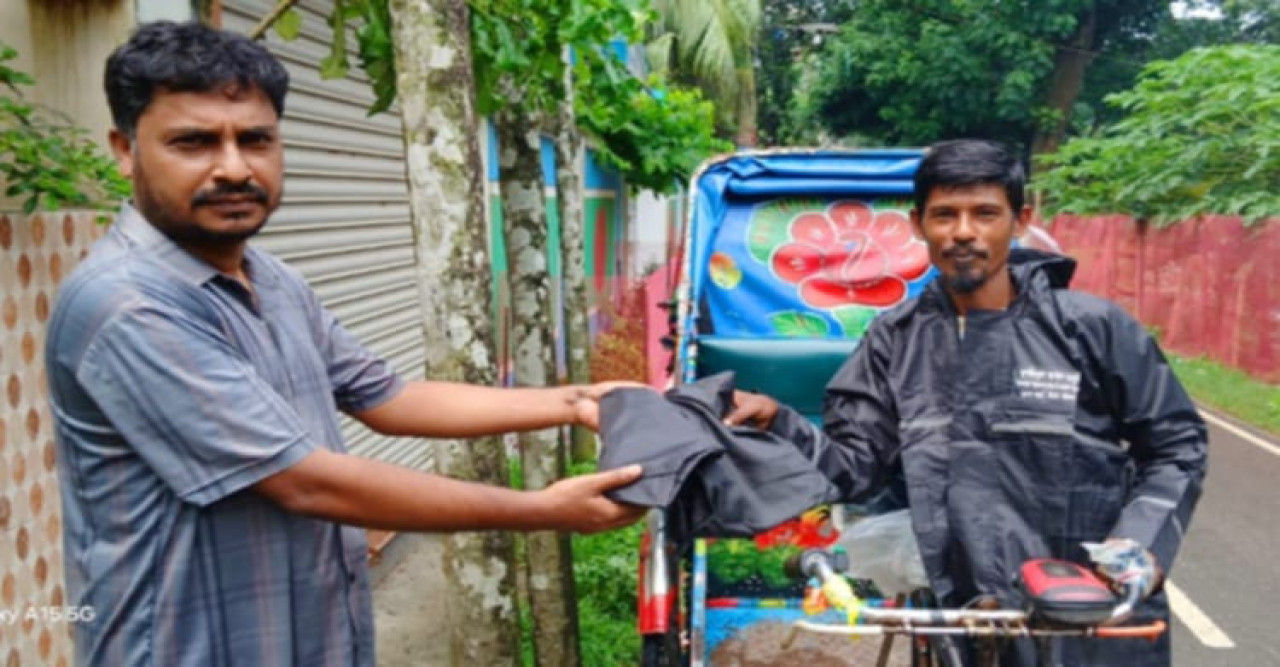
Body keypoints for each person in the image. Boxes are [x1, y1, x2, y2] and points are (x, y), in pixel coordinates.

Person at [45, 21, 644, 667]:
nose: (233, 167)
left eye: (256, 140)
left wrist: (576, 399)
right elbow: (307, 483)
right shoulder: (127, 304)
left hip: (309, 632)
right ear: (126, 149)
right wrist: (540, 509)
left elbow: (389, 397)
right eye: (193, 142)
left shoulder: (270, 279)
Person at [727, 139, 1207, 666]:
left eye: (984, 213)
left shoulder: (1090, 327)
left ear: (1020, 220)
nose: (962, 232)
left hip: (1090, 617)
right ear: (918, 225)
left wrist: (1137, 548)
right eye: (944, 215)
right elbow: (857, 469)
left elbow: (1176, 447)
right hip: (964, 620)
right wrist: (780, 422)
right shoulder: (894, 341)